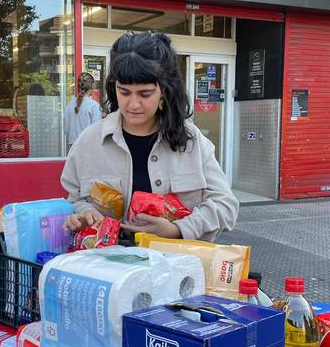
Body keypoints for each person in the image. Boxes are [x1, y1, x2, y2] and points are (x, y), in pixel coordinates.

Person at [62, 31, 239, 241]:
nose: (133, 104)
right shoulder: (90, 141)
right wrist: (83, 213)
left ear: (164, 90)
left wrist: (178, 229)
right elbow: (73, 200)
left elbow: (226, 206)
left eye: (145, 93)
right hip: (109, 266)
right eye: (124, 92)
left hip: (175, 266)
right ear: (114, 88)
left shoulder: (191, 140)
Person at [64, 72, 102, 147]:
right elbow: (97, 131)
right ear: (92, 87)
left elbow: (66, 129)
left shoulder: (69, 104)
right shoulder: (94, 105)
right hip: (88, 147)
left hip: (73, 148)